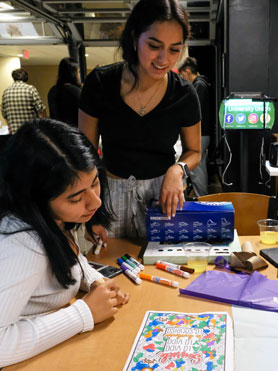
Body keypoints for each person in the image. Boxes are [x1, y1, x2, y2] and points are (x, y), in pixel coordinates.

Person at [0, 119, 129, 371]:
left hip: (9, 356)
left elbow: (67, 256)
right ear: (35, 196)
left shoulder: (47, 215)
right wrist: (84, 313)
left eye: (95, 182)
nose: (95, 202)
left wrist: (93, 280)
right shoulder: (19, 246)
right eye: (76, 197)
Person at [79, 0, 201, 239]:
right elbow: (85, 154)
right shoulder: (101, 83)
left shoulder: (184, 94)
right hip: (109, 195)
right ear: (135, 39)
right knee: (110, 269)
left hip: (162, 196)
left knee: (162, 269)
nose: (164, 59)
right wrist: (92, 211)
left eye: (175, 49)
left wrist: (177, 170)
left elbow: (194, 151)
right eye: (154, 46)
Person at [178, 56, 212, 196]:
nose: (182, 77)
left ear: (187, 71)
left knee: (195, 167)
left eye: (181, 74)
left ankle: (201, 198)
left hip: (200, 133)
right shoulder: (202, 83)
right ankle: (202, 197)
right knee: (199, 166)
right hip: (204, 133)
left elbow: (192, 109)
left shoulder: (199, 85)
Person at [1, 68, 47, 133]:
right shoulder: (30, 89)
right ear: (26, 78)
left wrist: (10, 127)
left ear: (13, 78)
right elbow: (41, 109)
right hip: (30, 131)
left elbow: (4, 113)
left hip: (15, 134)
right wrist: (46, 125)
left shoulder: (6, 92)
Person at [48, 58, 82, 126]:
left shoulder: (52, 91)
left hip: (57, 131)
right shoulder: (76, 91)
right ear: (74, 73)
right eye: (78, 72)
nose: (79, 75)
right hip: (74, 132)